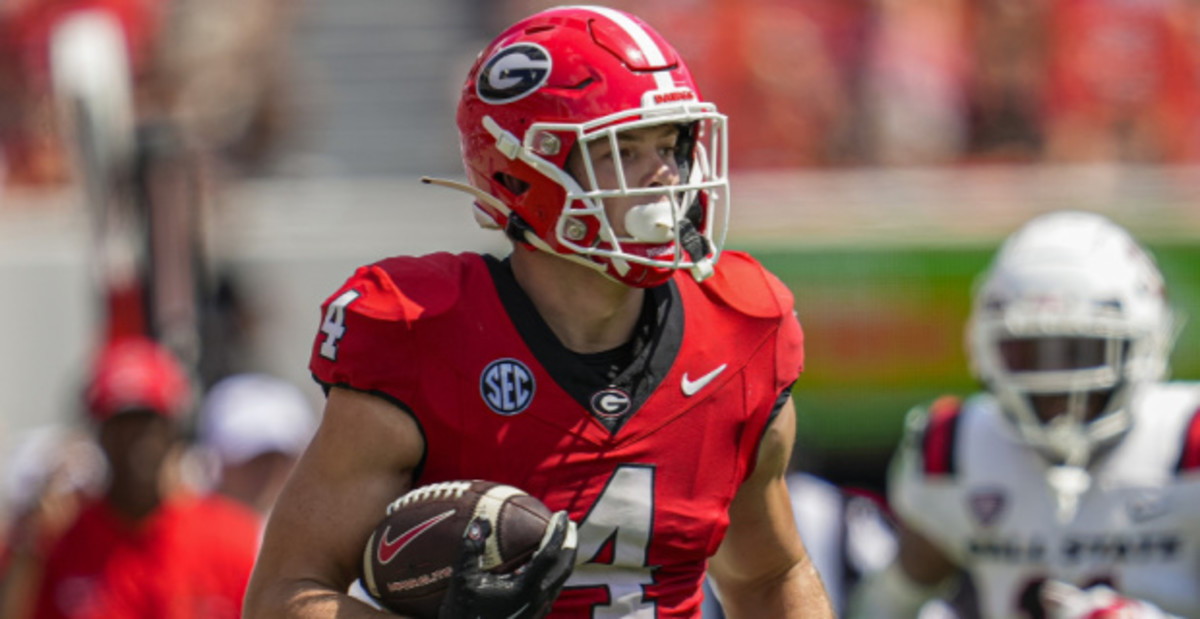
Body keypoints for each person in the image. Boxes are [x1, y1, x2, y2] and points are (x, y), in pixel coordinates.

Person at [243, 5, 834, 618]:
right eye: (623, 149)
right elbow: (283, 597)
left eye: (669, 144)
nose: (664, 174)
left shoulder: (736, 330)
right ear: (526, 171)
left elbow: (769, 573)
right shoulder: (422, 336)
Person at [847, 210, 1200, 618]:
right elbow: (886, 605)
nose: (1059, 387)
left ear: (1144, 347)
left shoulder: (1188, 442)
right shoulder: (957, 450)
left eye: (1081, 353)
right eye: (1030, 354)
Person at [29, 336, 262, 619]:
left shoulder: (234, 539)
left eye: (148, 424)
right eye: (121, 425)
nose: (136, 442)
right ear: (99, 434)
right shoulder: (59, 545)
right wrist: (28, 547)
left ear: (173, 431)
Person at [196, 372, 317, 517]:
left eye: (283, 458)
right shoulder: (184, 528)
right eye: (252, 459)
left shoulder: (320, 529)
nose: (268, 473)